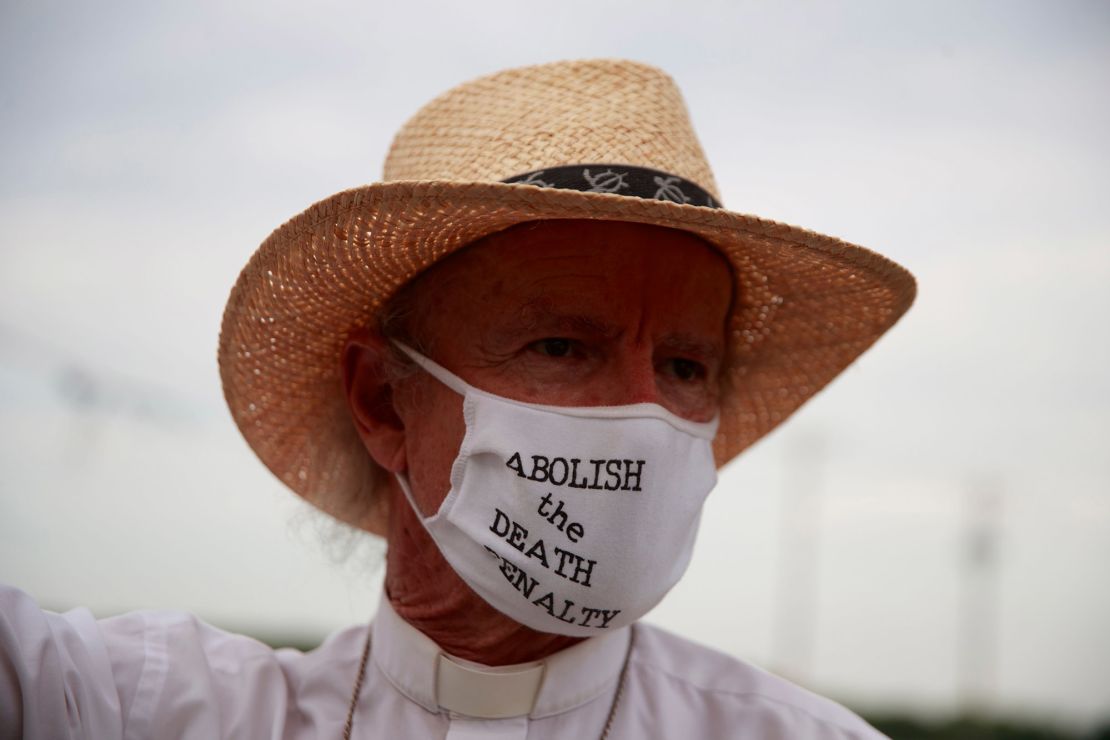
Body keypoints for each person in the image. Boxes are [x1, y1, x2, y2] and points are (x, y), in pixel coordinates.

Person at [0, 59, 915, 738]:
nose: (643, 416)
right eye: (562, 345)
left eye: (684, 367)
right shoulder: (147, 712)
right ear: (384, 403)